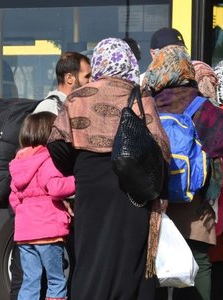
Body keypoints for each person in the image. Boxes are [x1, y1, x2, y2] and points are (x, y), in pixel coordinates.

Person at [46, 37, 170, 300]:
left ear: (99, 62)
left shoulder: (78, 98)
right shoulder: (139, 96)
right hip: (132, 191)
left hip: (90, 190)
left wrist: (76, 168)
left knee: (92, 258)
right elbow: (160, 148)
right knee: (130, 260)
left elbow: (56, 144)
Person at [143, 45, 223, 300]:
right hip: (195, 196)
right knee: (199, 261)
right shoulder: (200, 105)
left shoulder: (147, 103)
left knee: (156, 263)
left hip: (154, 198)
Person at [8, 111, 76, 300]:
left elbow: (14, 199)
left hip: (24, 235)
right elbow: (55, 188)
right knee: (56, 280)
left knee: (30, 280)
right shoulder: (48, 160)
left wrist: (27, 216)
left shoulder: (18, 163)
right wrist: (78, 181)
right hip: (48, 232)